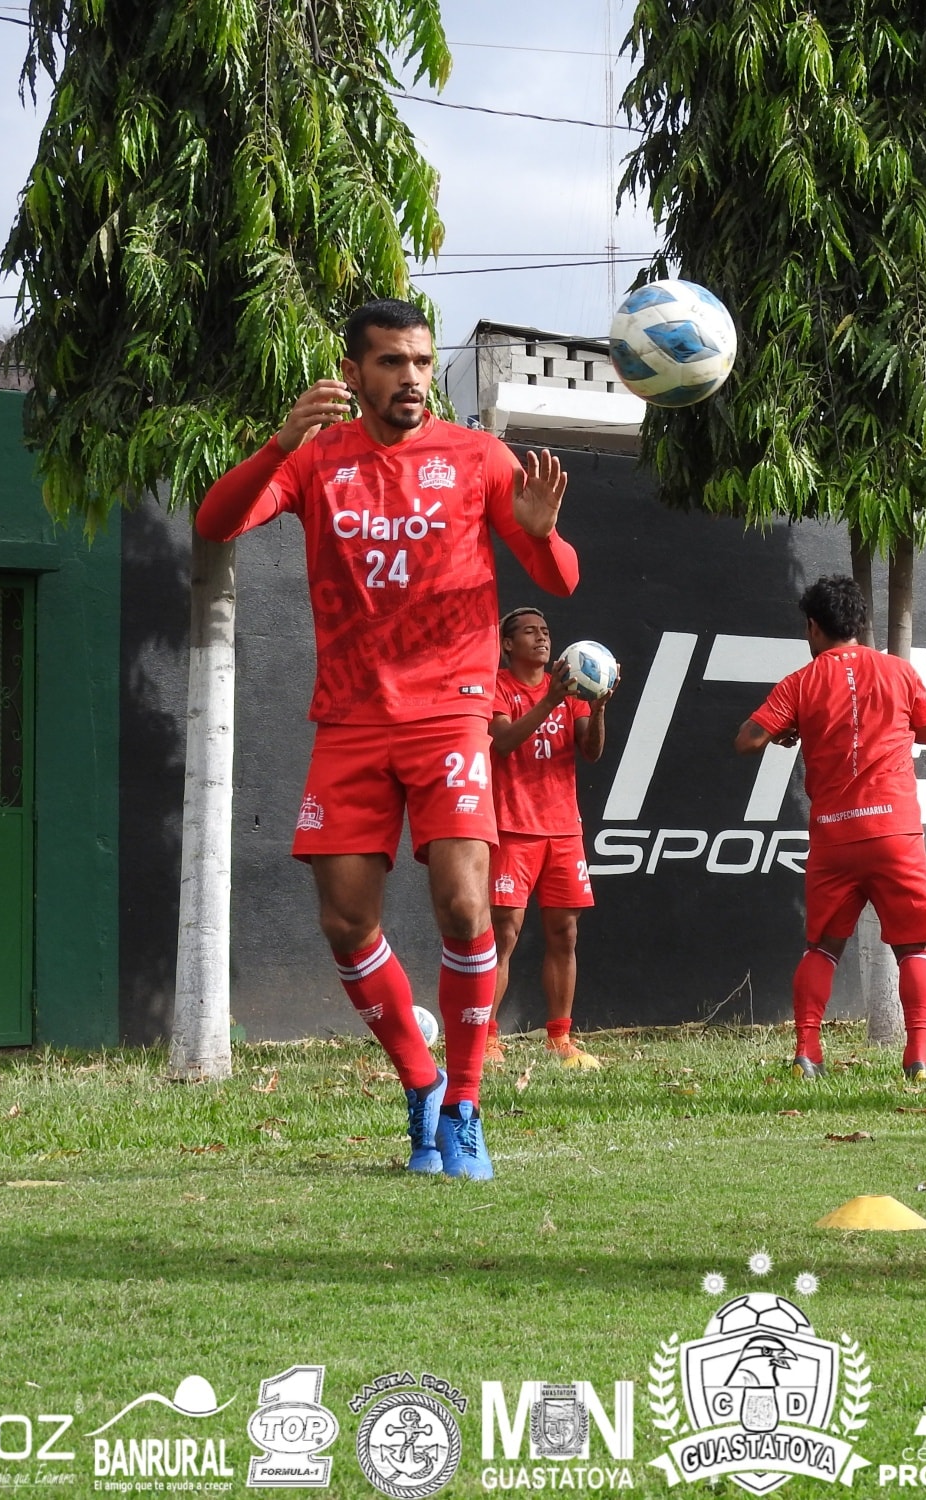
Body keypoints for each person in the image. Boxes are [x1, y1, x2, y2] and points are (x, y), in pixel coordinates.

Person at [196, 298, 577, 1181]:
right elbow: (215, 525)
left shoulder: (477, 455)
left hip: (450, 714)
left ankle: (469, 1107)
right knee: (344, 923)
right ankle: (421, 1081)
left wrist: (541, 532)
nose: (411, 377)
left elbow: (559, 576)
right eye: (392, 363)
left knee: (464, 906)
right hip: (352, 718)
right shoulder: (319, 459)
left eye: (420, 360)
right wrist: (277, 446)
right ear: (356, 372)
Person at [733, 576, 926, 1080]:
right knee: (914, 946)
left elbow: (746, 741)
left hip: (835, 835)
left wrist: (792, 728)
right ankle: (918, 1059)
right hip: (895, 831)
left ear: (813, 627)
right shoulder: (898, 672)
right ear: (860, 623)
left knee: (822, 948)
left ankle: (807, 1052)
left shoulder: (801, 682)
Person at [485, 607, 613, 1069]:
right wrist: (550, 701)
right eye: (529, 632)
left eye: (546, 632)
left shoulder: (574, 688)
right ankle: (486, 1038)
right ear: (507, 644)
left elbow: (591, 751)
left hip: (563, 829)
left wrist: (596, 710)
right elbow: (502, 742)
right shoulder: (498, 685)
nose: (541, 639)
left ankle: (560, 1037)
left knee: (565, 933)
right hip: (513, 827)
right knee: (503, 934)